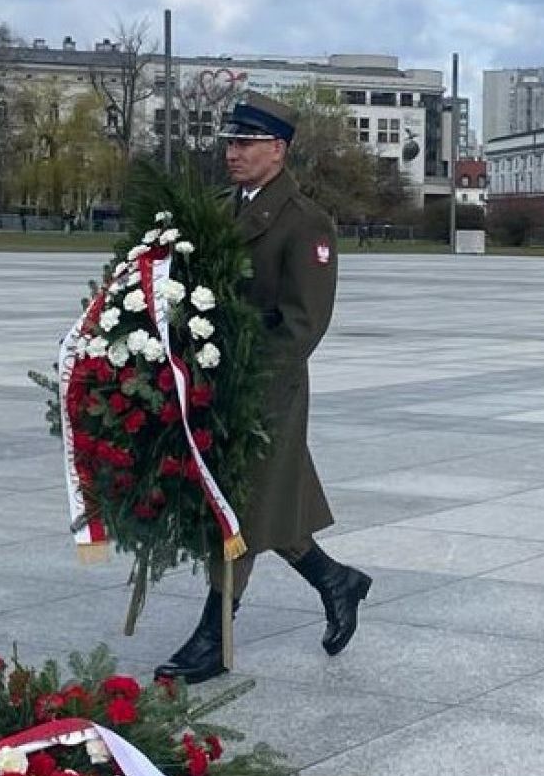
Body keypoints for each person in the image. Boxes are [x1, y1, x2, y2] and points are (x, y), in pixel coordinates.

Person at [155, 91, 371, 684]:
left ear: (277, 151)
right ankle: (337, 581)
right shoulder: (223, 209)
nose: (232, 152)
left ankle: (214, 637)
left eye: (245, 143)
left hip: (264, 394)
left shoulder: (306, 223)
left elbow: (304, 323)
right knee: (262, 503)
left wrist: (246, 383)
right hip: (212, 388)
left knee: (240, 510)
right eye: (229, 142)